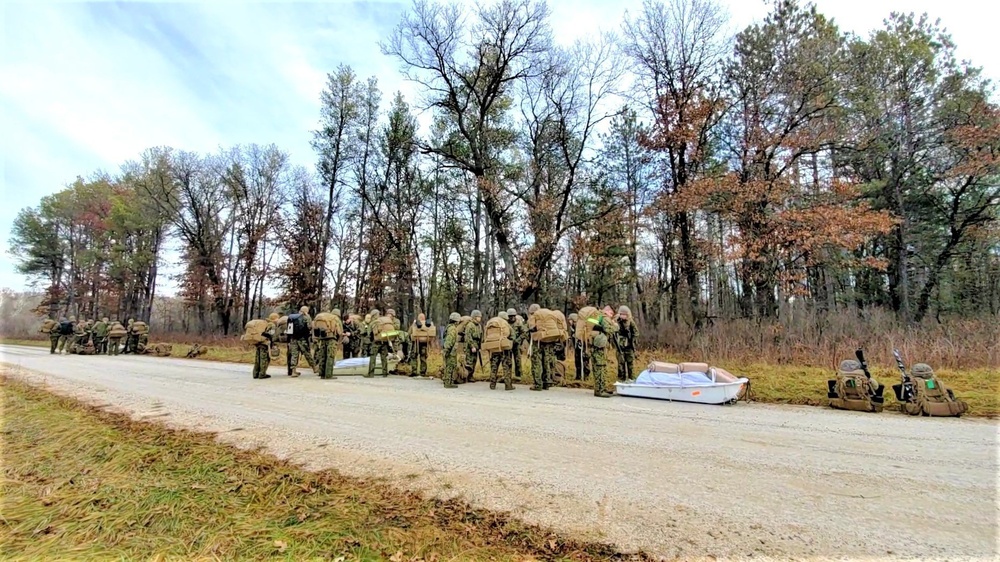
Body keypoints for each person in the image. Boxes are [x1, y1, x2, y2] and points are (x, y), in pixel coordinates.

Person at [590, 306, 616, 398]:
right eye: (611, 313)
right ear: (607, 311)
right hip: (599, 347)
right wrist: (616, 326)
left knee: (602, 368)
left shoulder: (598, 317)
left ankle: (602, 388)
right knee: (600, 368)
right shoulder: (604, 318)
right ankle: (599, 391)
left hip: (598, 346)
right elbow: (607, 329)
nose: (611, 316)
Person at [287, 305, 317, 377]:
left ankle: (293, 371)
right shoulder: (306, 317)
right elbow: (309, 327)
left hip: (293, 338)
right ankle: (314, 368)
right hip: (303, 339)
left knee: (294, 355)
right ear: (306, 311)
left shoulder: (292, 317)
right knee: (307, 354)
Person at [488, 311, 514, 391]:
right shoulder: (506, 324)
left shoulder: (491, 323)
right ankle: (508, 385)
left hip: (494, 348)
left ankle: (492, 385)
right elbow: (512, 335)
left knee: (494, 367)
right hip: (504, 349)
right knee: (506, 367)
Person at [314, 309, 343, 379]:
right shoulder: (336, 319)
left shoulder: (324, 317)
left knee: (323, 356)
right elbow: (340, 331)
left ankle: (322, 374)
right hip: (332, 339)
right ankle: (328, 375)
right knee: (330, 356)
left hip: (322, 338)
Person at [366, 308, 391, 378]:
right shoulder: (383, 322)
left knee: (373, 357)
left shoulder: (373, 323)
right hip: (384, 341)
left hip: (375, 342)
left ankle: (371, 374)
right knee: (384, 358)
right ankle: (385, 373)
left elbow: (369, 333)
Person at [253, 313, 279, 379]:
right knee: (264, 359)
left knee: (257, 359)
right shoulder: (272, 325)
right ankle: (262, 374)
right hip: (265, 344)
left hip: (259, 342)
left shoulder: (265, 324)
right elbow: (272, 335)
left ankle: (255, 373)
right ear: (275, 319)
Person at [407, 312, 434, 377]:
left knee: (414, 357)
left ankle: (414, 371)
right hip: (425, 343)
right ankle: (423, 372)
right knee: (423, 358)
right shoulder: (429, 324)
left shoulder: (415, 324)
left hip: (416, 343)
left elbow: (409, 332)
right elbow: (432, 333)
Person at [615, 306, 638, 381]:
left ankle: (631, 379)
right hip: (620, 347)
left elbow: (636, 333)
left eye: (624, 314)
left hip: (629, 347)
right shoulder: (617, 322)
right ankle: (621, 380)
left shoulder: (630, 322)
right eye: (621, 314)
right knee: (621, 365)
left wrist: (633, 340)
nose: (623, 316)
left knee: (630, 365)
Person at [464, 310, 483, 383]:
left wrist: (480, 347)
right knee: (469, 362)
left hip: (477, 345)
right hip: (470, 347)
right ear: (474, 317)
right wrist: (472, 346)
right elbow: (468, 337)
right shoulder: (470, 325)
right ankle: (466, 376)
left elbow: (481, 337)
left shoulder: (479, 326)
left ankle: (471, 376)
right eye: (478, 317)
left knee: (475, 361)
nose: (480, 318)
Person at [442, 312, 460, 388]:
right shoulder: (452, 329)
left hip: (451, 351)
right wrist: (447, 350)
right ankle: (448, 382)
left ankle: (449, 381)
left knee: (451, 366)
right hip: (450, 352)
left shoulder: (450, 327)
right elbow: (449, 340)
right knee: (450, 366)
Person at [507, 308, 526, 381]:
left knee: (517, 359)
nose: (512, 318)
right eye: (510, 316)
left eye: (513, 316)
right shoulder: (506, 323)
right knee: (508, 360)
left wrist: (518, 340)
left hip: (516, 344)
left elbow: (524, 333)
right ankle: (508, 375)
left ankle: (519, 375)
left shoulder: (519, 323)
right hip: (508, 343)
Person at [568, 312, 584, 381]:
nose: (569, 321)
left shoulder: (579, 327)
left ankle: (584, 376)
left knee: (583, 361)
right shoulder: (572, 327)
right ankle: (578, 376)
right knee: (577, 361)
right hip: (576, 346)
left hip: (582, 347)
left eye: (570, 320)